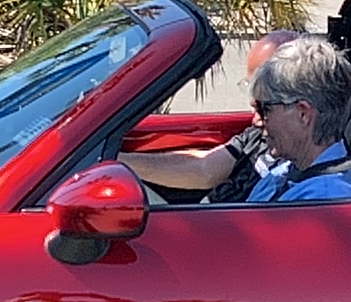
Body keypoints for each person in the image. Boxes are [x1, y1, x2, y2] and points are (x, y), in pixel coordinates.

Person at [118, 30, 300, 202]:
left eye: (263, 94)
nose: (255, 111)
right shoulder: (258, 135)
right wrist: (120, 162)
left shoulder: (302, 162)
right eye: (252, 89)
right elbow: (204, 168)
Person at [244, 37, 351, 203]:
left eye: (265, 109)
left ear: (303, 114)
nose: (258, 120)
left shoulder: (323, 199)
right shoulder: (286, 171)